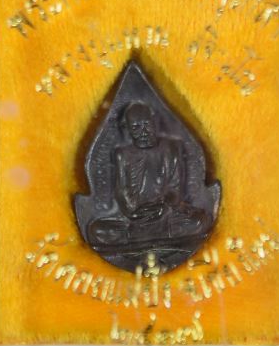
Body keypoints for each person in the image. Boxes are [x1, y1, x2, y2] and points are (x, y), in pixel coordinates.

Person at [88, 102, 211, 248]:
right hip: (135, 217)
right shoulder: (123, 155)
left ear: (155, 122)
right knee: (96, 230)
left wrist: (163, 206)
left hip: (165, 212)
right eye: (136, 128)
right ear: (127, 130)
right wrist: (132, 212)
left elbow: (175, 189)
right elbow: (121, 192)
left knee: (200, 221)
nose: (143, 132)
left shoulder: (170, 148)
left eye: (147, 125)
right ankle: (149, 238)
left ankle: (141, 239)